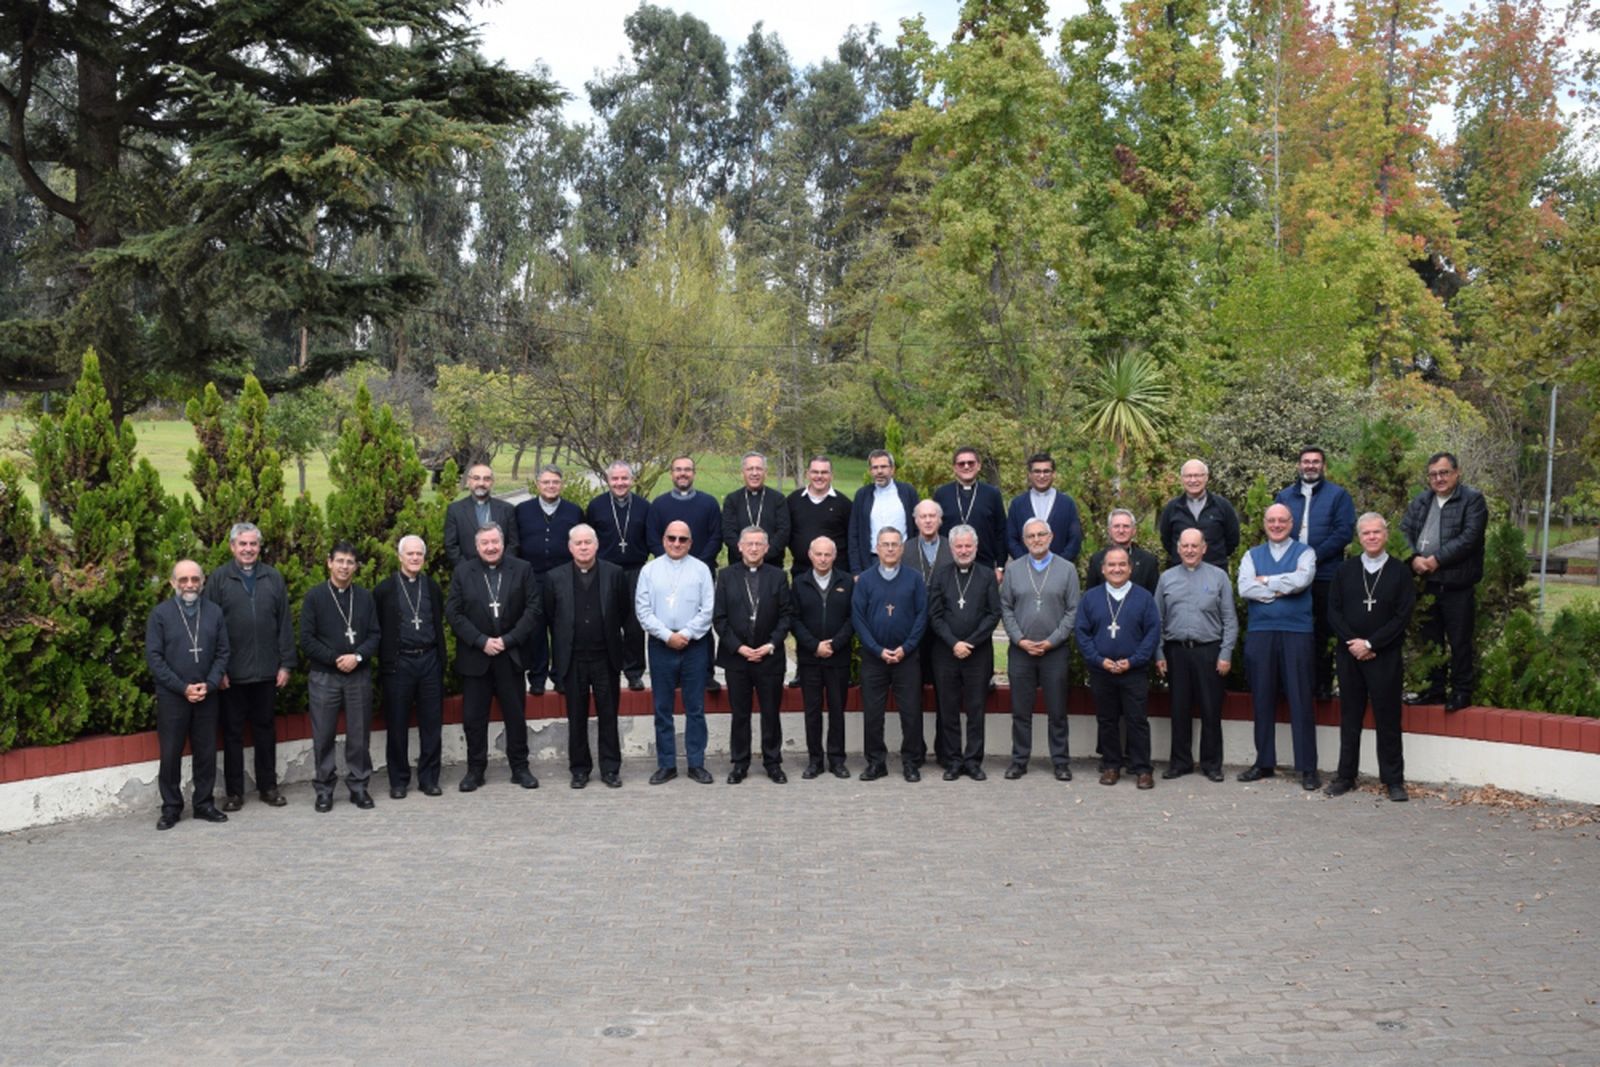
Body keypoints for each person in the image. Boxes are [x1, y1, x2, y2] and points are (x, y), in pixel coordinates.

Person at [1325, 513, 1417, 802]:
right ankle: (1345, 776)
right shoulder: (1345, 571)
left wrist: (1372, 642)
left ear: (1386, 535)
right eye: (1366, 533)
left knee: (1388, 718)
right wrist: (1354, 643)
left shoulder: (1400, 572)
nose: (1372, 537)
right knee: (1350, 716)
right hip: (1349, 654)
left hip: (1384, 655)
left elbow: (1403, 615)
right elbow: (1334, 611)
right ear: (1359, 537)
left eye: (1377, 532)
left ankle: (1393, 780)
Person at [446, 523, 543, 792]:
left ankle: (520, 768)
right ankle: (475, 770)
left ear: (503, 543)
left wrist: (507, 640)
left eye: (495, 542)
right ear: (476, 547)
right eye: (484, 543)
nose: (490, 547)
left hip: (509, 655)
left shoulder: (521, 569)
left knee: (515, 716)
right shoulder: (463, 572)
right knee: (473, 719)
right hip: (476, 658)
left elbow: (533, 608)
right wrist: (481, 641)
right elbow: (454, 613)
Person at [205, 521, 293, 811]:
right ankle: (234, 793)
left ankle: (268, 787)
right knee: (232, 734)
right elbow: (211, 628)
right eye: (242, 544)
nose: (248, 549)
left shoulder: (273, 578)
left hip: (267, 671)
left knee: (266, 730)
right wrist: (219, 671)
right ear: (232, 546)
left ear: (259, 547)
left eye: (253, 544)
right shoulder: (218, 580)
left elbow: (284, 624)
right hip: (232, 675)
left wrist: (286, 664)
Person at [1236, 504, 1320, 789]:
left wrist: (1267, 582)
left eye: (1282, 520)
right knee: (1261, 698)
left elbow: (1302, 580)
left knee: (1300, 699)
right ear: (1264, 523)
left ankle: (1308, 767)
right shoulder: (1252, 554)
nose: (1276, 524)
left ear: (1291, 523)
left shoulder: (1305, 553)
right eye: (1271, 520)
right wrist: (1281, 590)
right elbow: (1245, 588)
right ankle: (1264, 762)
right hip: (1261, 633)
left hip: (1297, 632)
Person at [1400, 451, 1489, 712]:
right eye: (1433, 475)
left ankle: (1461, 692)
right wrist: (1414, 557)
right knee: (1430, 641)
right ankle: (1434, 690)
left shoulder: (1472, 500)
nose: (1438, 479)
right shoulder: (1422, 500)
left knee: (1459, 641)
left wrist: (1436, 559)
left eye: (1444, 473)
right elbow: (1404, 531)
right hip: (1425, 583)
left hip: (1456, 584)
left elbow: (1470, 537)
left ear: (1456, 472)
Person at [146, 560, 231, 831]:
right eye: (183, 580)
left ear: (203, 581)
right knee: (170, 753)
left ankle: (204, 803)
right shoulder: (160, 615)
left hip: (207, 692)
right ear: (173, 583)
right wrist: (182, 688)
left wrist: (211, 683)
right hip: (173, 696)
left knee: (205, 751)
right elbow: (155, 658)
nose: (189, 585)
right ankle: (171, 807)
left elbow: (223, 652)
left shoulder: (214, 612)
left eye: (195, 579)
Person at [545, 524, 630, 789]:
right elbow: (550, 618)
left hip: (606, 657)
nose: (583, 547)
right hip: (573, 659)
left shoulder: (615, 574)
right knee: (576, 715)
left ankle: (610, 769)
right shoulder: (554, 577)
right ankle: (579, 769)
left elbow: (624, 612)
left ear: (597, 545)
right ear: (570, 547)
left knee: (608, 714)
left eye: (588, 542)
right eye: (578, 543)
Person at [299, 541, 383, 811]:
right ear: (329, 562)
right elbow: (307, 640)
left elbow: (375, 635)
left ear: (355, 566)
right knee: (323, 735)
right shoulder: (315, 597)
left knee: (359, 734)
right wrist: (335, 659)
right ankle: (324, 790)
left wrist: (357, 656)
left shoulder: (364, 597)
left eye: (350, 562)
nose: (345, 566)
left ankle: (359, 787)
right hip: (325, 676)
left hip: (358, 675)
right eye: (340, 561)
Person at [1000, 518, 1081, 780]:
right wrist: (1019, 639)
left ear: (1051, 536)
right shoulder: (1014, 570)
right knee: (1021, 711)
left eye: (1041, 535)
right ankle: (1019, 760)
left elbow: (1072, 610)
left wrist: (1052, 641)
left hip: (1053, 651)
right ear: (1024, 541)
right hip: (1021, 650)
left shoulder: (1067, 569)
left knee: (1057, 710)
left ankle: (1060, 762)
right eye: (1031, 536)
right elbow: (1006, 608)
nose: (1036, 540)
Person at [636, 520, 717, 784]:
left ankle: (696, 763)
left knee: (695, 708)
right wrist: (667, 636)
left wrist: (686, 634)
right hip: (661, 645)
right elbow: (643, 611)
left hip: (694, 646)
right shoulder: (649, 570)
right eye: (672, 538)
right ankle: (666, 764)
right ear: (663, 540)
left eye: (683, 539)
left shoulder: (701, 570)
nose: (677, 543)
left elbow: (708, 610)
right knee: (662, 708)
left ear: (690, 543)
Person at [1154, 529, 1238, 782]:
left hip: (1209, 651)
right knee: (1179, 709)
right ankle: (1180, 762)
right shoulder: (1166, 578)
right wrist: (1158, 652)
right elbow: (1156, 619)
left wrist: (1226, 653)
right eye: (1185, 546)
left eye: (1195, 545)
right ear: (1178, 549)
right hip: (1176, 651)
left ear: (1204, 548)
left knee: (1211, 710)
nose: (1190, 550)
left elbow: (1229, 619)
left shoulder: (1219, 577)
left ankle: (1212, 764)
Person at [1075, 547, 1163, 788]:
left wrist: (1133, 660)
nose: (1117, 569)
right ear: (1102, 569)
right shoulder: (1090, 598)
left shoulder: (1144, 597)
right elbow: (1082, 633)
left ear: (1130, 568)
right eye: (1111, 565)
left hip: (1133, 671)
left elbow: (1152, 633)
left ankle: (1143, 769)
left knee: (1137, 720)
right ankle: (1111, 765)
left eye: (1122, 564)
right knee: (1107, 720)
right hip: (1101, 670)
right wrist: (1098, 659)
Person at [1274, 446, 1356, 700]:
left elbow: (1343, 532)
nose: (1310, 466)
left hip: (1325, 574)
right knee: (1290, 628)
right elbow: (1275, 528)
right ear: (1299, 465)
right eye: (1306, 461)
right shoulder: (1285, 496)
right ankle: (1288, 683)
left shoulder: (1338, 496)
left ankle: (1321, 685)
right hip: (1289, 573)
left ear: (1324, 466)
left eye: (1316, 462)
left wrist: (1311, 558)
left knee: (1323, 630)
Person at [714, 526, 794, 783]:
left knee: (771, 712)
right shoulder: (725, 576)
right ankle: (740, 763)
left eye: (759, 544)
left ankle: (772, 762)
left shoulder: (778, 576)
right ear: (739, 547)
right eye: (749, 543)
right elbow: (720, 618)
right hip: (737, 657)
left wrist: (771, 645)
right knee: (740, 713)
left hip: (769, 656)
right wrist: (738, 647)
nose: (753, 548)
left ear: (767, 548)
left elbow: (786, 616)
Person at [851, 526, 929, 781]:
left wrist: (906, 648)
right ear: (876, 547)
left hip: (907, 657)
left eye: (895, 544)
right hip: (875, 659)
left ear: (902, 547)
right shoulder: (865, 580)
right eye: (885, 544)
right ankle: (876, 762)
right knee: (873, 714)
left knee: (911, 712)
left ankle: (911, 762)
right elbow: (858, 619)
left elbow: (922, 616)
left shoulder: (915, 578)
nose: (890, 548)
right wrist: (877, 649)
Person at [927, 525, 1001, 780]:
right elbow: (934, 614)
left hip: (978, 654)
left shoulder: (986, 575)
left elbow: (994, 614)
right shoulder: (941, 575)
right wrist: (953, 643)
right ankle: (953, 761)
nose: (964, 550)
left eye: (968, 546)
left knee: (975, 709)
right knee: (947, 709)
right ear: (951, 548)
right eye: (959, 546)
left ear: (976, 547)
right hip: (945, 654)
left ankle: (973, 761)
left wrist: (970, 642)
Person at [374, 534, 446, 799]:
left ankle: (429, 779)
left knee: (431, 724)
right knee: (397, 723)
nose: (415, 558)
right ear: (400, 556)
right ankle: (399, 780)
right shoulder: (385, 589)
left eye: (419, 554)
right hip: (399, 662)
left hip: (429, 661)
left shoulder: (432, 587)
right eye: (410, 554)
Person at [645, 455, 723, 690]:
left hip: (702, 572)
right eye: (678, 469)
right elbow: (652, 536)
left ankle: (706, 673)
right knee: (669, 620)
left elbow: (716, 537)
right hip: (666, 572)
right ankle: (672, 673)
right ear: (671, 473)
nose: (683, 474)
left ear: (694, 473)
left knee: (702, 622)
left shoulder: (709, 503)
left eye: (687, 470)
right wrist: (670, 560)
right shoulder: (659, 505)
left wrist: (695, 565)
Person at [514, 464, 583, 694]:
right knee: (535, 629)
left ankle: (561, 676)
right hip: (532, 578)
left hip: (564, 579)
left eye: (555, 482)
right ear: (537, 484)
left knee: (562, 629)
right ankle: (537, 677)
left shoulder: (574, 512)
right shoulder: (522, 510)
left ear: (561, 484)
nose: (550, 486)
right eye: (546, 482)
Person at [790, 536, 854, 779]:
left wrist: (835, 644)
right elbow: (793, 619)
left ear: (834, 556)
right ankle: (815, 760)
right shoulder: (799, 583)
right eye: (819, 554)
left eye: (828, 554)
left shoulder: (847, 581)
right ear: (810, 554)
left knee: (837, 710)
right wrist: (814, 645)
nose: (823, 559)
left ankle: (837, 760)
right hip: (810, 658)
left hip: (838, 657)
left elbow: (852, 618)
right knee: (812, 710)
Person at [586, 460, 652, 691]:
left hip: (636, 570)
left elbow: (651, 539)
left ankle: (634, 672)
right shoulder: (596, 506)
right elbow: (590, 539)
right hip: (605, 570)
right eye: (615, 479)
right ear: (608, 480)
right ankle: (608, 669)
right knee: (606, 622)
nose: (620, 483)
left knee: (634, 624)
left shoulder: (644, 506)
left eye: (624, 478)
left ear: (631, 480)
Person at [933, 446, 1007, 572]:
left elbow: (1001, 531)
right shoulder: (942, 494)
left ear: (978, 466)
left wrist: (1000, 566)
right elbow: (935, 531)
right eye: (961, 464)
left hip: (985, 565)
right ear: (954, 468)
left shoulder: (992, 493)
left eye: (971, 463)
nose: (966, 467)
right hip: (948, 566)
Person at [1158, 459, 1241, 569]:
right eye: (1188, 476)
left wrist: (1214, 556)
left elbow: (1233, 539)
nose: (1193, 480)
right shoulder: (1172, 508)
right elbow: (1166, 540)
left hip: (1215, 570)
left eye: (1198, 475)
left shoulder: (1222, 506)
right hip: (1181, 572)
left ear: (1206, 477)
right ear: (1182, 479)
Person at [847, 449, 919, 574]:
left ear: (892, 469)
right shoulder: (862, 495)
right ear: (870, 471)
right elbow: (854, 534)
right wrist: (856, 570)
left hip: (905, 560)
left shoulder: (908, 492)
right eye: (875, 467)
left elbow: (918, 526)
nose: (879, 471)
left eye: (884, 467)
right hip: (872, 561)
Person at [1005, 453, 1084, 562]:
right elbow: (1011, 539)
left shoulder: (1067, 503)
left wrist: (1059, 564)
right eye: (1037, 471)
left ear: (1054, 474)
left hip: (1059, 571)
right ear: (1029, 474)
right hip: (1026, 571)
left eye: (1046, 471)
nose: (1042, 476)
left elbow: (1075, 539)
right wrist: (1025, 563)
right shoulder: (1017, 504)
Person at [787, 454, 853, 576]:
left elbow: (852, 540)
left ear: (831, 475)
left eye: (824, 472)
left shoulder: (844, 504)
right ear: (807, 474)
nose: (819, 476)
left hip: (836, 574)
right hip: (801, 572)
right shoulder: (793, 501)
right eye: (815, 472)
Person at [722, 452, 790, 568]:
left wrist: (762, 555)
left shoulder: (778, 499)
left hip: (771, 565)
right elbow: (728, 532)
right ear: (743, 472)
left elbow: (783, 531)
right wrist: (746, 555)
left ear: (765, 473)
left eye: (759, 469)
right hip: (739, 564)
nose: (754, 473)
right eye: (750, 469)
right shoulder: (732, 500)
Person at [444, 463, 518, 567]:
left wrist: (503, 567)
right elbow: (451, 546)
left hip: (502, 571)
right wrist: (466, 570)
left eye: (486, 479)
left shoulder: (507, 509)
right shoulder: (455, 510)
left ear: (492, 482)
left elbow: (513, 544)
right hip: (468, 573)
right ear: (469, 481)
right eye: (476, 478)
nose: (481, 483)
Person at [1085, 509, 1160, 595]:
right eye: (1116, 526)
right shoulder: (1097, 560)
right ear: (1109, 530)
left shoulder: (1148, 561)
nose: (1121, 531)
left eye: (1126, 526)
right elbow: (1090, 596)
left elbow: (1154, 598)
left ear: (1134, 531)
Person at [906, 499, 953, 582]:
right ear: (916, 521)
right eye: (923, 516)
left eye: (932, 516)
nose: (928, 521)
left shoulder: (952, 547)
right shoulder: (904, 549)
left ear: (940, 519)